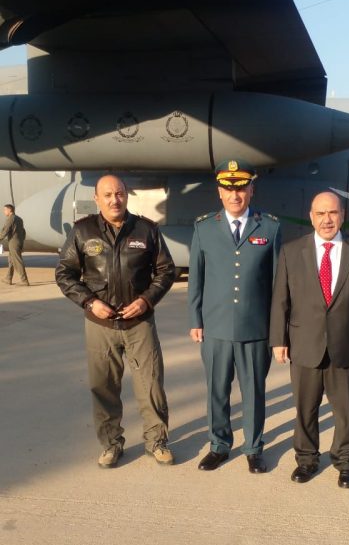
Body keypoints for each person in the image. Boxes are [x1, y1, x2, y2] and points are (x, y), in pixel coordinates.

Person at [55, 174, 176, 468]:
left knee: (150, 384)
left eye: (119, 193)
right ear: (97, 199)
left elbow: (166, 271)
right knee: (104, 387)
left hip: (139, 323)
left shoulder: (146, 230)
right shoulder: (83, 231)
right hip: (101, 325)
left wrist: (146, 300)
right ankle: (111, 444)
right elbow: (65, 273)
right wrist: (89, 302)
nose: (114, 200)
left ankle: (157, 442)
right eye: (107, 195)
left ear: (126, 195)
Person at [270, 190, 349, 488]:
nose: (327, 219)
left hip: (347, 346)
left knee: (346, 410)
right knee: (305, 409)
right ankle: (306, 459)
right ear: (311, 217)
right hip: (304, 344)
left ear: (342, 215)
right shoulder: (292, 251)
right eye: (320, 213)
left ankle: (346, 462)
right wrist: (278, 339)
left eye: (332, 213)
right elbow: (280, 300)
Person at [188, 158, 281, 474]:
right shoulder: (204, 228)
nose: (234, 195)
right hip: (215, 328)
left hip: (256, 328)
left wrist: (277, 329)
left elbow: (277, 283)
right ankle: (219, 445)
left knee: (254, 392)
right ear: (219, 192)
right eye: (228, 189)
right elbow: (196, 279)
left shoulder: (270, 227)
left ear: (251, 190)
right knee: (217, 391)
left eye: (241, 188)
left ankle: (253, 448)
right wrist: (195, 319)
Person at [0, 204, 29, 285]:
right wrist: (21, 241)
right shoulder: (19, 219)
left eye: (5, 210)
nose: (4, 211)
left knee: (17, 261)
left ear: (10, 210)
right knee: (11, 260)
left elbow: (5, 230)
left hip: (13, 242)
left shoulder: (10, 219)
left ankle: (24, 280)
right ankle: (8, 278)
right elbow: (23, 232)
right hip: (18, 241)